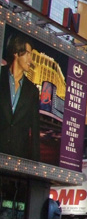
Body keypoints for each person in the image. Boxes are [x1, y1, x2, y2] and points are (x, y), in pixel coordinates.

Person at [0, 33, 40, 161]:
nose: (30, 60)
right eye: (28, 54)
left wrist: (35, 170)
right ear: (16, 53)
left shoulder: (32, 91)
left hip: (17, 163)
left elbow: (35, 132)